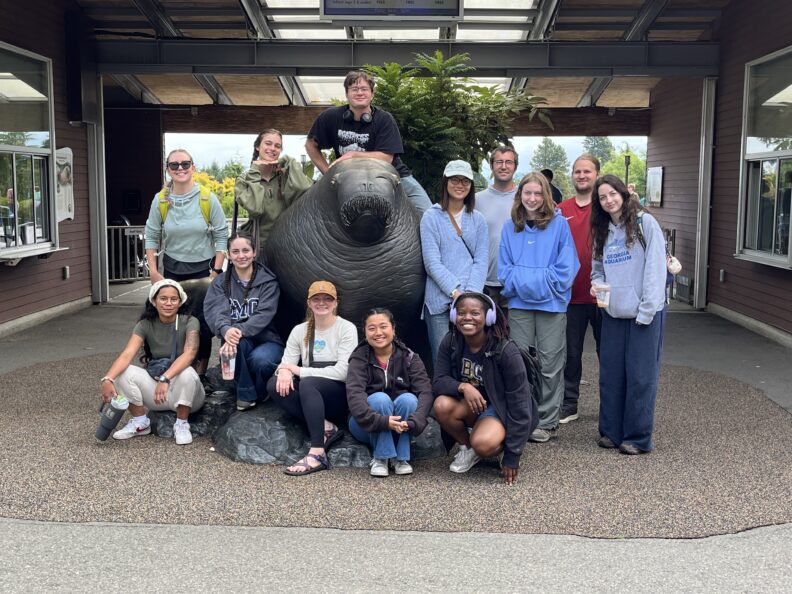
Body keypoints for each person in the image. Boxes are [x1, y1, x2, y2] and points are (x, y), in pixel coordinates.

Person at [499, 172, 579, 443]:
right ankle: (523, 416)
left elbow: (566, 269)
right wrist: (530, 281)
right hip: (520, 304)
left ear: (545, 195)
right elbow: (504, 270)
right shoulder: (510, 227)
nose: (532, 199)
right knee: (520, 363)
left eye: (537, 193)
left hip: (551, 305)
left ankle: (545, 420)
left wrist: (532, 281)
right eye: (527, 193)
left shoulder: (559, 226)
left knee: (549, 363)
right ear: (520, 195)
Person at [591, 174, 667, 455]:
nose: (609, 200)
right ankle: (610, 431)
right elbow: (597, 267)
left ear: (623, 194)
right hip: (612, 312)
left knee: (640, 376)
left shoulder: (646, 223)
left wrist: (647, 309)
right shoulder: (601, 229)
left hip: (643, 313)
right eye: (602, 197)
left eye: (613, 194)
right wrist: (596, 285)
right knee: (611, 375)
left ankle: (637, 437)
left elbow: (655, 270)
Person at [432, 292, 538, 485]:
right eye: (462, 313)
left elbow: (520, 404)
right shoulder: (452, 341)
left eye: (475, 313)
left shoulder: (506, 350)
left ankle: (493, 442)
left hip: (501, 408)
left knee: (483, 443)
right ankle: (468, 448)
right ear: (454, 316)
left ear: (489, 317)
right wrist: (463, 386)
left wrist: (513, 456)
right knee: (441, 405)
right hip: (473, 406)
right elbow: (438, 381)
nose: (467, 318)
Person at [144, 148, 229, 377]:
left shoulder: (207, 198)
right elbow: (151, 236)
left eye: (185, 164)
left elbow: (222, 235)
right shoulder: (161, 200)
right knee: (172, 318)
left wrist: (216, 272)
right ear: (168, 170)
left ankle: (199, 371)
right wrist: (153, 271)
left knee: (201, 322)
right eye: (174, 165)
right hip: (173, 269)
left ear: (193, 166)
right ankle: (173, 365)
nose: (180, 168)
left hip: (204, 270)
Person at [305, 70, 432, 215]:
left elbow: (387, 157)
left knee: (428, 212)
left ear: (372, 94)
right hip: (348, 177)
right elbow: (311, 144)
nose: (359, 93)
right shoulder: (331, 117)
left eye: (364, 89)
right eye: (354, 89)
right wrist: (328, 172)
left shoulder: (384, 119)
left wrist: (352, 155)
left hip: (393, 175)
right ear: (347, 94)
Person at [267, 281, 358, 475]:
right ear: (309, 303)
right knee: (274, 384)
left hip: (338, 396)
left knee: (308, 383)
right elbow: (286, 364)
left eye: (327, 299)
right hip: (311, 396)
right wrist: (284, 371)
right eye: (316, 299)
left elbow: (343, 372)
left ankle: (317, 453)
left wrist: (299, 371)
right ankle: (325, 427)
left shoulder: (346, 328)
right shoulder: (299, 331)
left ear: (335, 303)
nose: (322, 303)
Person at [99, 279, 205, 445]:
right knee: (122, 373)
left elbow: (190, 353)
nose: (168, 303)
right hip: (159, 396)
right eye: (163, 298)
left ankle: (182, 424)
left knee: (187, 372)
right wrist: (108, 379)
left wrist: (165, 378)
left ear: (180, 301)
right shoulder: (145, 324)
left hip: (187, 394)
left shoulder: (190, 321)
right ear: (154, 301)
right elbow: (127, 354)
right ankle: (140, 421)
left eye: (173, 299)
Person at [346, 308, 434, 477]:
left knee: (408, 400)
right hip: (365, 424)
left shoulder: (409, 357)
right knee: (380, 399)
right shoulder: (359, 358)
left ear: (393, 329)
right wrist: (382, 421)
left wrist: (415, 422)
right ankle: (381, 458)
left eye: (383, 326)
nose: (378, 333)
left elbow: (425, 392)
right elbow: (354, 395)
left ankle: (401, 458)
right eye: (371, 328)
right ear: (365, 333)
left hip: (401, 426)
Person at [203, 232, 284, 411]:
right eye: (236, 251)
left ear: (254, 252)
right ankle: (246, 395)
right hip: (237, 340)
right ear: (229, 255)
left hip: (267, 339)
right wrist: (225, 329)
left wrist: (236, 329)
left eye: (246, 250)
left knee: (260, 361)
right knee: (233, 344)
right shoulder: (221, 283)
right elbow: (217, 310)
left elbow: (264, 314)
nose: (241, 256)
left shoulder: (268, 281)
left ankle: (262, 392)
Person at [420, 160, 488, 366]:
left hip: (471, 300)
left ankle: (471, 398)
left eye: (465, 180)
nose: (460, 185)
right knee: (443, 359)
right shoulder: (430, 217)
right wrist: (455, 292)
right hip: (439, 302)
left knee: (472, 359)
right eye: (455, 179)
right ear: (445, 182)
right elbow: (431, 261)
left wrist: (470, 294)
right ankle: (444, 398)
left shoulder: (478, 219)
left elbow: (481, 259)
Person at [557, 153, 603, 424]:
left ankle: (609, 404)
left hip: (602, 297)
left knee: (606, 352)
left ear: (596, 174)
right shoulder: (561, 210)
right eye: (578, 171)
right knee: (570, 353)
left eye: (587, 171)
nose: (582, 176)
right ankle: (570, 403)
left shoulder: (607, 207)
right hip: (570, 297)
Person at [234, 129, 312, 260]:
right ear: (258, 146)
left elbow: (304, 189)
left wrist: (289, 161)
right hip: (258, 247)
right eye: (268, 143)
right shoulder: (243, 181)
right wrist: (255, 171)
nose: (273, 148)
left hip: (286, 245)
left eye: (277, 146)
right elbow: (255, 209)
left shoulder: (286, 176)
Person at [476, 145, 519, 309]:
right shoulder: (476, 200)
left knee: (515, 334)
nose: (503, 166)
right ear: (492, 165)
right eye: (499, 162)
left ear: (515, 166)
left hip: (515, 282)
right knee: (486, 333)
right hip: (485, 282)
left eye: (509, 162)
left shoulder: (527, 199)